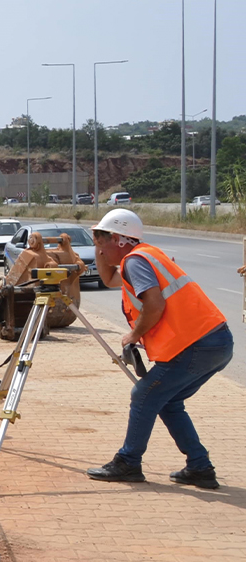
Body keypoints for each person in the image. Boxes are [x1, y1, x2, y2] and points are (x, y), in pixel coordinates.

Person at [85, 208, 233, 488]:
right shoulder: (146, 255)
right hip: (215, 341)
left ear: (119, 239)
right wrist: (98, 247)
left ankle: (128, 462)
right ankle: (199, 467)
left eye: (102, 241)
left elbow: (154, 304)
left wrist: (133, 335)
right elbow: (108, 280)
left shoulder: (135, 261)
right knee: (167, 401)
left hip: (196, 344)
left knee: (144, 395)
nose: (100, 249)